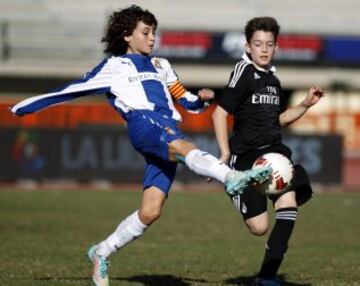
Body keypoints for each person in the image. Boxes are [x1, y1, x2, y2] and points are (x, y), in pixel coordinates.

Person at [10, 6, 271, 286]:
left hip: (168, 127)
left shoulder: (162, 65)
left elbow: (184, 99)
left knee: (151, 211)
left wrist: (203, 99)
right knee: (182, 145)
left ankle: (102, 251)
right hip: (143, 124)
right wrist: (22, 108)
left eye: (154, 33)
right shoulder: (113, 67)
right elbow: (71, 90)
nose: (151, 38)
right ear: (126, 36)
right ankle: (231, 178)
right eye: (145, 33)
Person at [212, 17, 324, 286]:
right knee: (259, 228)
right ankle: (234, 186)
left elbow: (281, 120)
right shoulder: (243, 71)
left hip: (276, 155)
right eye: (258, 44)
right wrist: (225, 156)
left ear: (276, 47)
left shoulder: (273, 79)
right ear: (248, 46)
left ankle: (267, 278)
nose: (263, 49)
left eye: (269, 44)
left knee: (289, 206)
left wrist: (306, 104)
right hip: (248, 159)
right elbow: (219, 113)